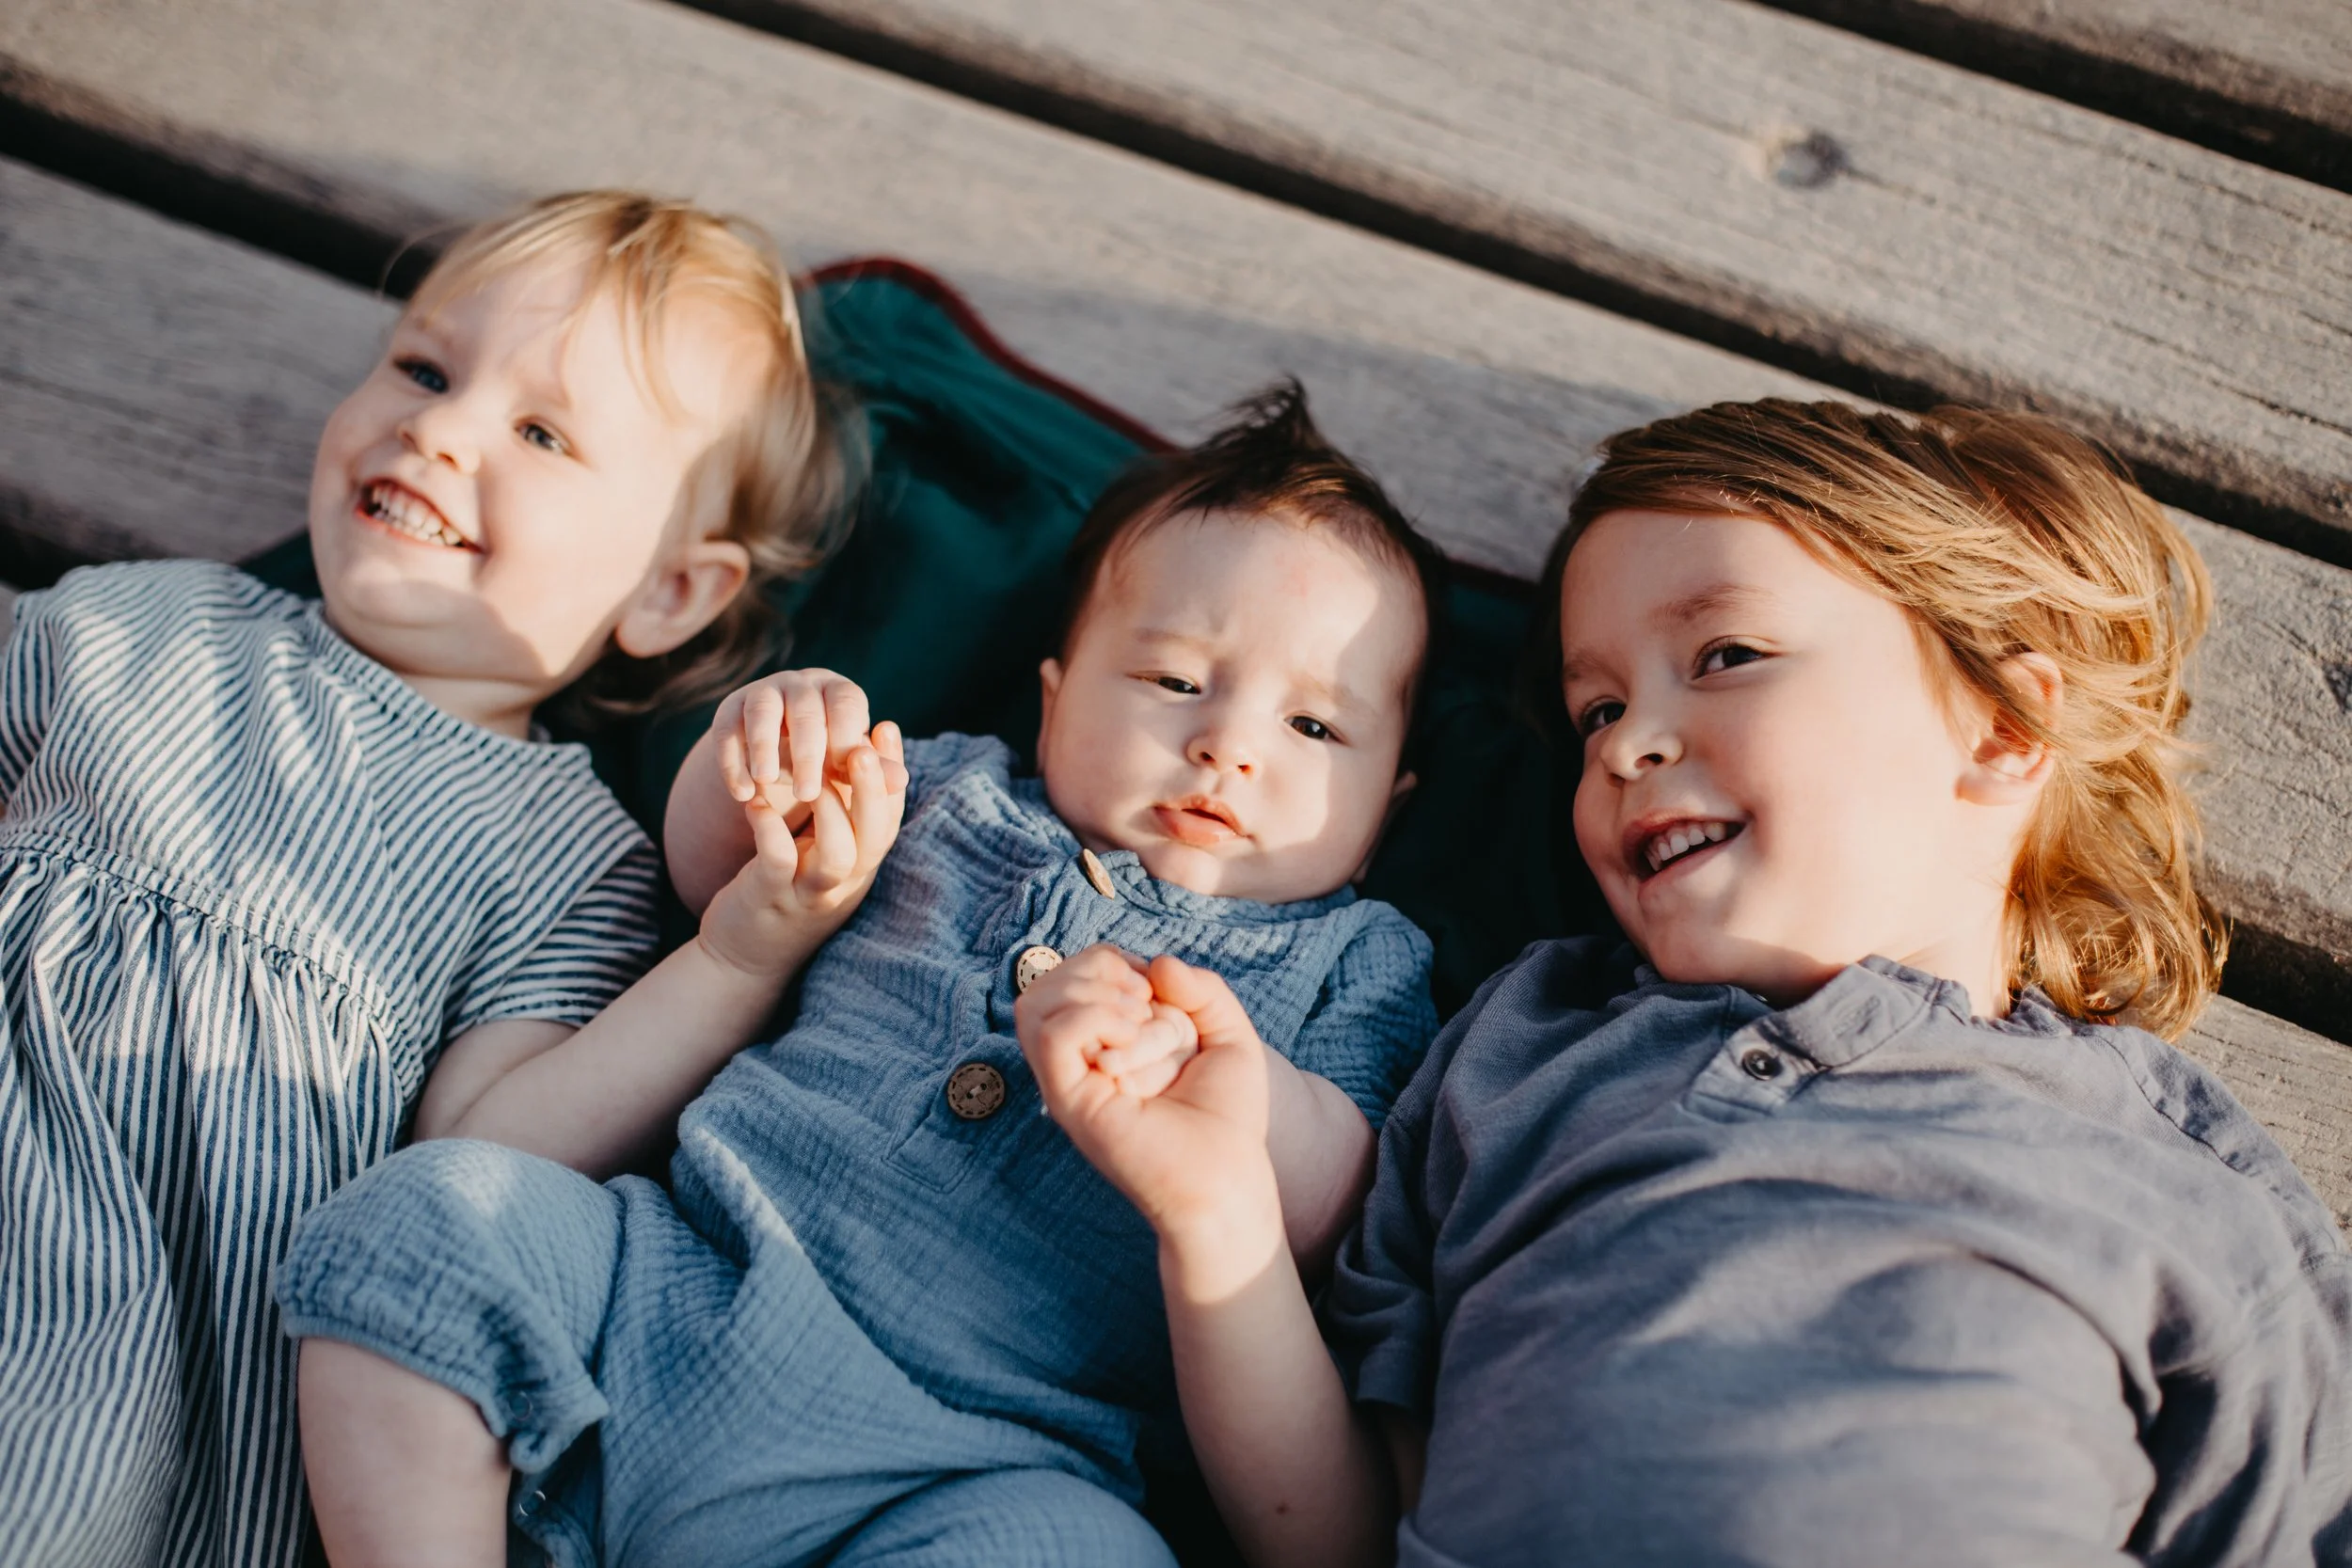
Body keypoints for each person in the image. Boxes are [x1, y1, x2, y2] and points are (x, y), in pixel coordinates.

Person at [1058, 400, 2352, 1566]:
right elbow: (1345, 1529)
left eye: (1726, 653)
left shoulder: (2154, 1164)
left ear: (2004, 724)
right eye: (1593, 711)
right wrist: (1217, 1215)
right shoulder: (1515, 1051)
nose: (1630, 740)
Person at [275, 382, 1445, 1568]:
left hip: (970, 1465)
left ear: (1387, 805)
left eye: (1314, 729)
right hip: (660, 1290)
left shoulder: (1357, 961)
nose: (1227, 741)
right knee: (429, 1211)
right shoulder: (939, 792)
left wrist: (1231, 1087)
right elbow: (709, 876)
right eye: (1175, 679)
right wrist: (759, 752)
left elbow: (1341, 1196)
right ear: (1056, 698)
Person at [0, 190, 859, 1568]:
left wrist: (738, 957)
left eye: (541, 432)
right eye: (422, 365)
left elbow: (493, 1138)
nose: (438, 427)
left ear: (667, 594)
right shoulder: (128, 617)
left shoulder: (566, 855)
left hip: (144, 1334)